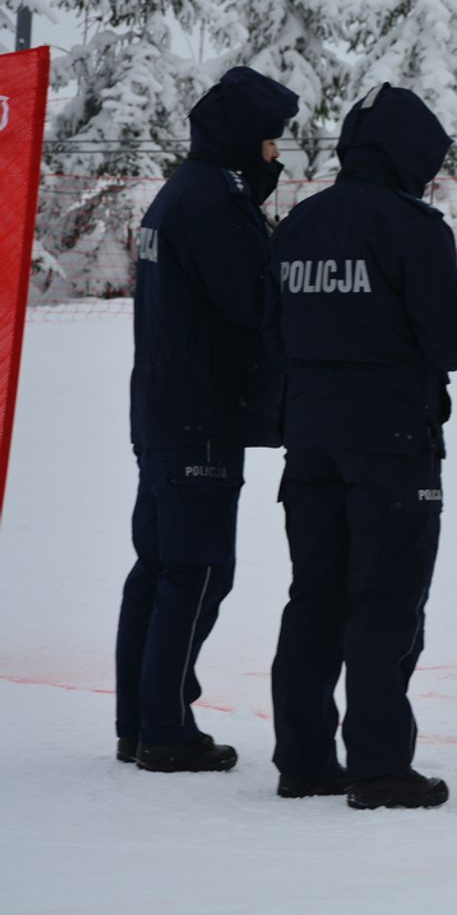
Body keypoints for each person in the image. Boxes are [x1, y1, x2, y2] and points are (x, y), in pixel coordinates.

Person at [268, 84, 457, 810]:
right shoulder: (413, 226)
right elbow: (449, 340)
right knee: (386, 601)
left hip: (309, 438)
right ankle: (379, 767)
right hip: (391, 442)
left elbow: (272, 327)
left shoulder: (300, 221)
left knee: (314, 597)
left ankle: (304, 760)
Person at [116, 66, 300, 773]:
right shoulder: (214, 202)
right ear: (244, 139)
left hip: (163, 408)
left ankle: (138, 722)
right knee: (196, 573)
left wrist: (251, 202)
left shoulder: (182, 192)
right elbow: (252, 301)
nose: (276, 153)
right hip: (199, 415)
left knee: (158, 568)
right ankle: (165, 729)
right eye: (271, 140)